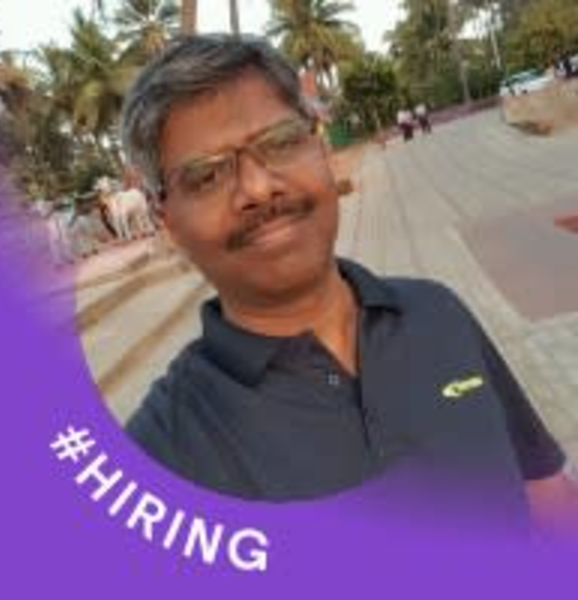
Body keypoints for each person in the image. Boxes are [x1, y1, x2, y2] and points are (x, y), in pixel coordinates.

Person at [120, 34, 577, 534]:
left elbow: (544, 490)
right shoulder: (163, 456)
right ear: (168, 222)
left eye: (279, 142)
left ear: (320, 148)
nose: (258, 187)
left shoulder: (437, 313)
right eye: (206, 176)